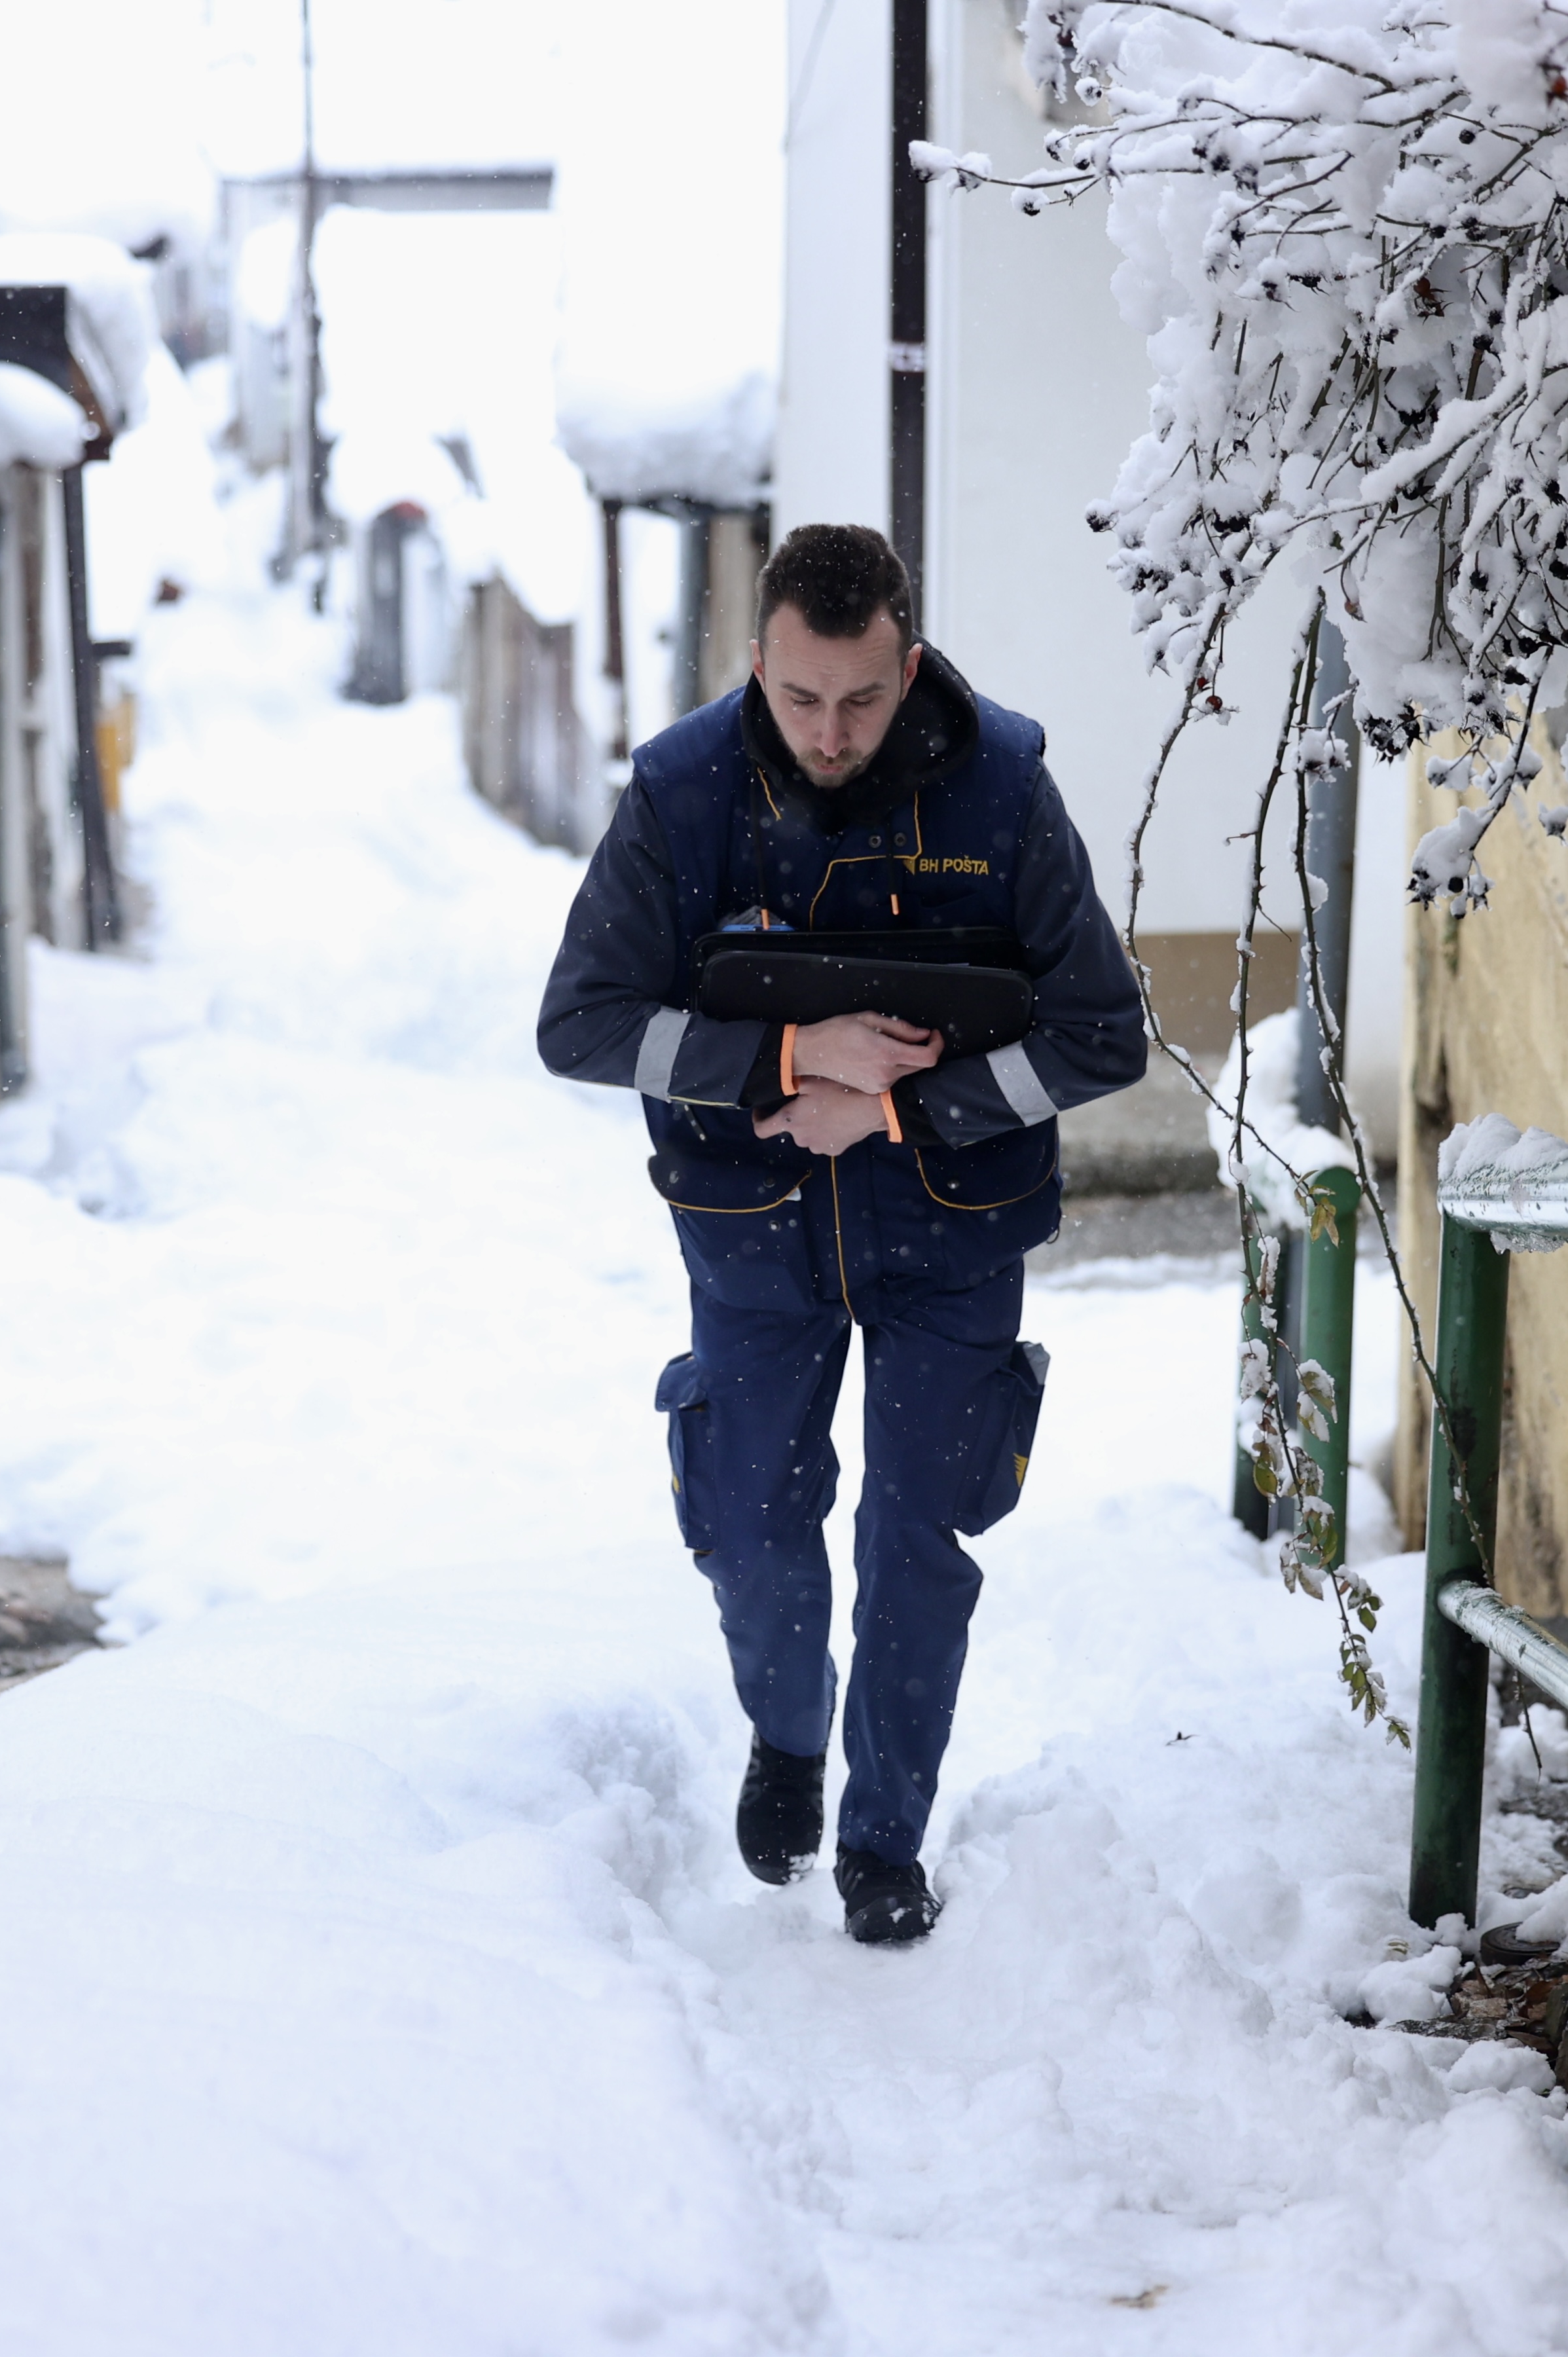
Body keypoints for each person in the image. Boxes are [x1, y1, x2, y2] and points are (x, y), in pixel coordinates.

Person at [537, 524, 1146, 1944]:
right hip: (749, 1231)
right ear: (758, 662)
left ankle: (884, 1838)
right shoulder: (682, 793)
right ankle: (789, 1736)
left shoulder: (1000, 787)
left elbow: (1100, 1034)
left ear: (907, 662)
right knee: (751, 1523)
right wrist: (786, 1057)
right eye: (800, 698)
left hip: (953, 1229)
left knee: (918, 1534)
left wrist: (898, 1111)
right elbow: (581, 1023)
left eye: (862, 699)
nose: (829, 731)